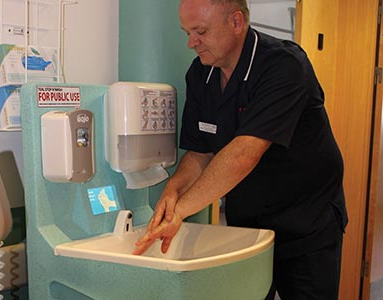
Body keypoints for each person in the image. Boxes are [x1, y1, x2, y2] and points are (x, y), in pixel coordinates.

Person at [133, 0, 348, 299]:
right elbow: (199, 153)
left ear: (236, 22)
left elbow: (244, 153)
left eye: (200, 31)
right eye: (187, 32)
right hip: (248, 224)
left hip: (306, 221)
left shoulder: (284, 65)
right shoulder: (200, 74)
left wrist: (180, 211)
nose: (191, 42)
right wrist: (174, 190)